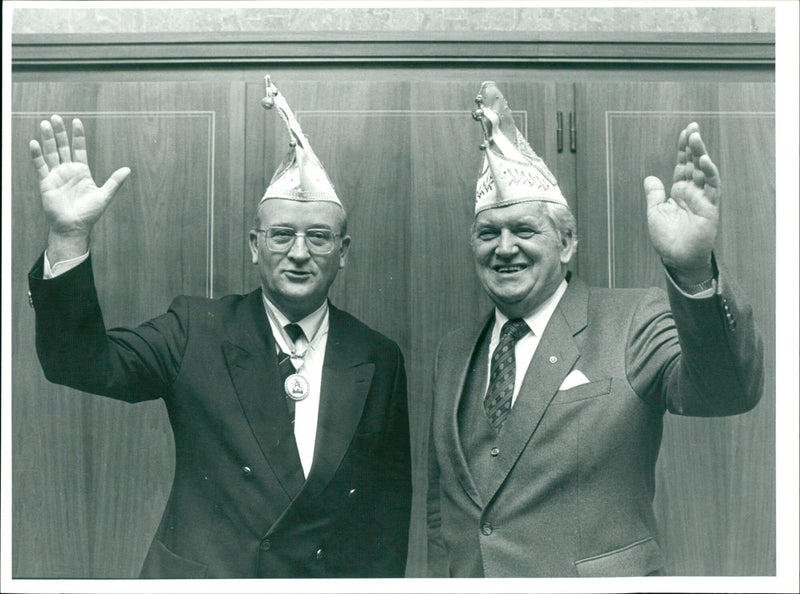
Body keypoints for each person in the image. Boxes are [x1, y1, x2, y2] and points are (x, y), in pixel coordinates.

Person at [27, 76, 411, 578]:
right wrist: (68, 237)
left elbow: (388, 514)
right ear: (254, 246)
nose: (299, 253)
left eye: (319, 237)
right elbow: (78, 363)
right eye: (281, 235)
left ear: (344, 252)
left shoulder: (377, 356)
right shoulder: (195, 330)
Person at [425, 81, 763, 577]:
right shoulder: (454, 353)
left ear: (566, 244)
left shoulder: (632, 321)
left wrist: (693, 273)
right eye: (487, 233)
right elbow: (447, 507)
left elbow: (727, 390)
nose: (503, 248)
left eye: (523, 230)